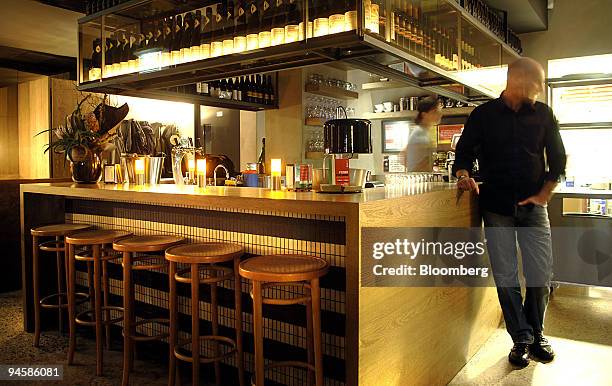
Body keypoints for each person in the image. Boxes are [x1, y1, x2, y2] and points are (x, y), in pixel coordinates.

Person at [453, 57, 567, 367]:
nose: (541, 88)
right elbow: (463, 153)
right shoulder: (483, 116)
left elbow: (557, 159)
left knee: (541, 275)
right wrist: (464, 176)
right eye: (537, 82)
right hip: (496, 206)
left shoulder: (544, 115)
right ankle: (522, 339)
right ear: (516, 80)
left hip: (534, 208)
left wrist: (544, 195)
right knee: (505, 276)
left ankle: (537, 333)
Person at [400, 96, 442, 172]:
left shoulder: (425, 131)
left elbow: (404, 154)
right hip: (418, 179)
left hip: (420, 177)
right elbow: (404, 156)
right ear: (424, 115)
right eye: (435, 111)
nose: (439, 114)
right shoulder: (419, 133)